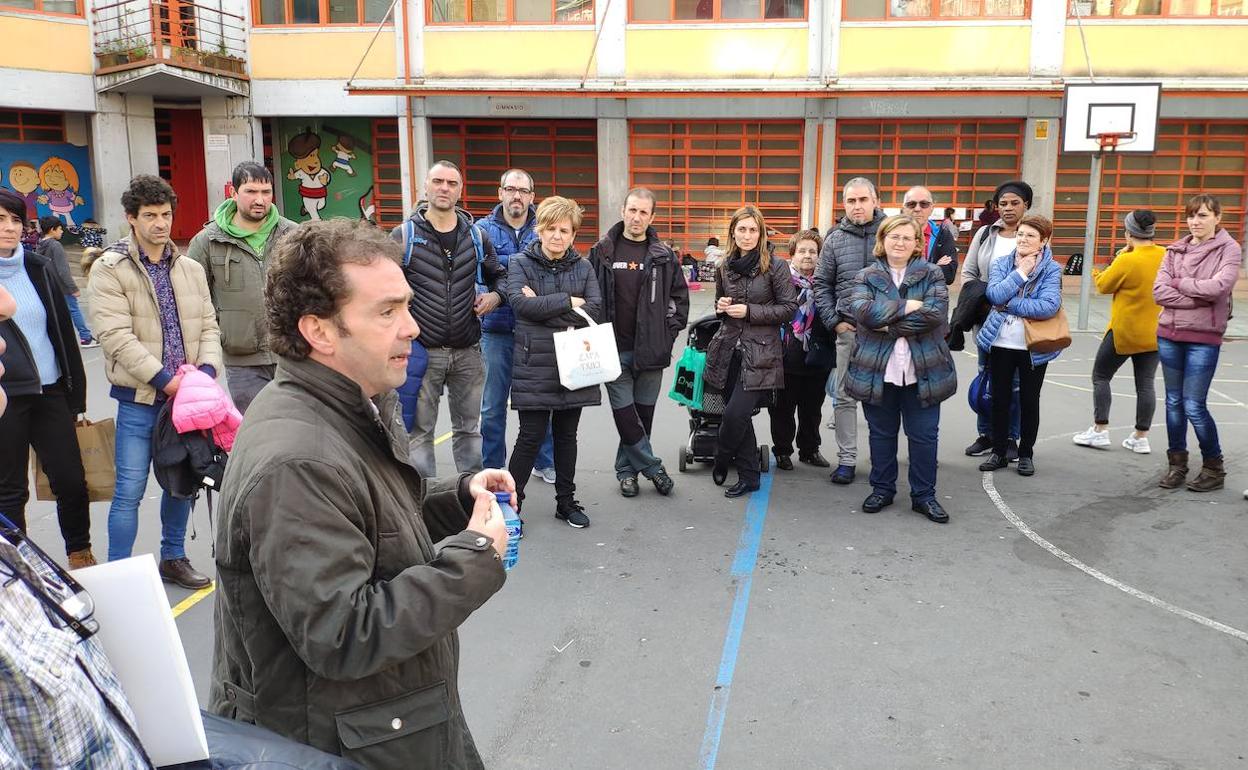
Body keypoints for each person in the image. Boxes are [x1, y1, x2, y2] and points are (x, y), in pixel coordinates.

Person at [209, 217, 508, 768]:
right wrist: (476, 557)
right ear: (319, 331)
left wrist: (458, 497)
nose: (412, 328)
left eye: (407, 306)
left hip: (376, 725)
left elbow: (370, 517)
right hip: (339, 742)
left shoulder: (345, 404)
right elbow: (343, 632)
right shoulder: (298, 459)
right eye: (387, 312)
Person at [88, 175, 220, 588]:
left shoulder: (191, 268)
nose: (161, 224)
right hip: (140, 399)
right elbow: (114, 336)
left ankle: (174, 557)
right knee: (129, 489)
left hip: (186, 400)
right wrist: (165, 380)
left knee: (182, 483)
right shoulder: (110, 270)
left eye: (166, 214)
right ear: (131, 218)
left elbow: (209, 325)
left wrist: (208, 374)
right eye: (150, 216)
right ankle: (119, 573)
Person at [0, 189, 96, 567]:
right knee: (9, 492)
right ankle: (17, 570)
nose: (8, 228)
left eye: (14, 220)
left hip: (51, 389)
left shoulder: (38, 267)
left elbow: (61, 333)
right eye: (0, 220)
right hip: (7, 395)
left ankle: (80, 553)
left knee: (72, 480)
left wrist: (77, 397)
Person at [390, 160, 503, 479]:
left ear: (460, 190)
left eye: (451, 183)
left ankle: (469, 497)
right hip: (422, 351)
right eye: (438, 181)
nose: (444, 188)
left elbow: (501, 277)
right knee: (419, 432)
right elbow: (382, 287)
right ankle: (422, 502)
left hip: (468, 350)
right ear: (425, 187)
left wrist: (496, 297)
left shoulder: (477, 235)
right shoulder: (404, 235)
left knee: (469, 431)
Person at [838, 214, 955, 523]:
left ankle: (924, 496)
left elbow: (935, 315)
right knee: (881, 433)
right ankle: (882, 489)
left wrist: (887, 325)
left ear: (917, 243)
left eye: (907, 237)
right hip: (878, 369)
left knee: (925, 436)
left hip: (924, 370)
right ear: (883, 240)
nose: (900, 242)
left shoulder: (932, 274)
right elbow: (863, 313)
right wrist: (907, 306)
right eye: (894, 236)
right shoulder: (866, 276)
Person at [504, 196, 602, 527]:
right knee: (529, 435)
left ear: (574, 234)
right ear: (539, 230)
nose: (557, 236)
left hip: (573, 364)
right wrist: (567, 303)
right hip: (535, 363)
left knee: (566, 436)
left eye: (564, 230)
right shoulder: (520, 263)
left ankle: (566, 501)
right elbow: (519, 304)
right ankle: (510, 506)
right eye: (550, 229)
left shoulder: (584, 266)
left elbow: (594, 309)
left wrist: (544, 306)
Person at [588, 187, 689, 498]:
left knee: (642, 416)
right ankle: (653, 468)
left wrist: (667, 333)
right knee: (625, 414)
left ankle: (626, 473)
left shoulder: (663, 256)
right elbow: (589, 294)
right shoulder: (602, 251)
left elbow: (679, 300)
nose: (636, 217)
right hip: (612, 348)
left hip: (651, 351)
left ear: (652, 217)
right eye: (632, 210)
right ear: (622, 211)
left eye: (643, 212)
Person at [187, 161, 298, 414]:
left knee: (296, 430)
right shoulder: (207, 241)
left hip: (292, 355)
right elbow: (194, 302)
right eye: (251, 192)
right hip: (242, 361)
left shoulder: (293, 235)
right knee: (256, 431)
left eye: (266, 192)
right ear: (233, 193)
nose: (260, 200)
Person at [705, 205, 797, 498]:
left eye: (753, 229)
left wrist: (749, 311)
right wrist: (721, 308)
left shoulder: (776, 266)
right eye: (741, 229)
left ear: (761, 232)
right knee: (739, 418)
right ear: (732, 231)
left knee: (734, 415)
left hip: (760, 353)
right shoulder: (724, 266)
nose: (747, 235)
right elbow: (722, 305)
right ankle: (749, 476)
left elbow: (789, 309)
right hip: (726, 349)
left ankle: (721, 457)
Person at [1153, 194, 1242, 492]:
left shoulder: (1229, 249)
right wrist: (1195, 296)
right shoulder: (1175, 249)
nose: (1195, 221)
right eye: (1191, 215)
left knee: (1193, 405)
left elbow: (1218, 289)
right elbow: (1159, 292)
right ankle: (1177, 464)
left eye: (1203, 215)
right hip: (1168, 334)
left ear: (1218, 217)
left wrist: (1179, 284)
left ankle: (1213, 467)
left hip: (1203, 339)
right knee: (1174, 403)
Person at [475, 168, 557, 483]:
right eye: (511, 189)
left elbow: (551, 269)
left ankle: (544, 461)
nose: (517, 196)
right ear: (500, 193)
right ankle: (493, 468)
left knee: (539, 402)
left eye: (523, 191)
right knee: (493, 407)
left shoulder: (544, 228)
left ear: (532, 196)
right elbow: (478, 273)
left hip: (535, 331)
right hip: (495, 332)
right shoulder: (482, 230)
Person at [976, 214, 1064, 477]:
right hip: (1000, 342)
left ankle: (1026, 453)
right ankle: (999, 451)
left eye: (1030, 235)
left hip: (1034, 346)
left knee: (1028, 400)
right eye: (1021, 234)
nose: (1023, 239)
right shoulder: (1003, 263)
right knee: (999, 399)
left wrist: (1009, 305)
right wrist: (1020, 273)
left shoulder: (1052, 269)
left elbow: (1048, 306)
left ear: (1044, 241)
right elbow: (993, 294)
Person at [814, 176, 886, 485]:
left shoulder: (892, 234)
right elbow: (821, 284)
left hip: (885, 334)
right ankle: (846, 460)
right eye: (851, 201)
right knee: (843, 397)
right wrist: (834, 321)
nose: (857, 206)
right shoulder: (834, 239)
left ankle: (882, 461)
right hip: (849, 332)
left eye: (863, 200)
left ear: (875, 201)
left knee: (882, 398)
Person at [1073, 210, 1164, 453]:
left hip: (1124, 331)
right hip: (1154, 331)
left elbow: (1104, 285)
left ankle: (1100, 429)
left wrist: (1100, 269)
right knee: (1146, 384)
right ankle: (1141, 436)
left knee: (1101, 376)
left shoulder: (1127, 259)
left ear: (1128, 233)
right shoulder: (1165, 254)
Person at [961, 180, 1030, 460]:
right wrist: (979, 302)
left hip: (1019, 322)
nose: (1008, 208)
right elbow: (968, 273)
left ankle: (1010, 436)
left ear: (1026, 205)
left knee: (1013, 384)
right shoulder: (984, 235)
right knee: (985, 378)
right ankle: (986, 433)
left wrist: (1015, 305)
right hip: (987, 321)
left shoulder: (1033, 235)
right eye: (1003, 203)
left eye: (1015, 203)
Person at [769, 229, 833, 471]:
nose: (808, 256)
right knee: (783, 409)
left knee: (812, 409)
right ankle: (783, 451)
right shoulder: (780, 281)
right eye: (802, 251)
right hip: (785, 355)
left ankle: (810, 450)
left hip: (817, 355)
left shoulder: (826, 283)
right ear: (792, 254)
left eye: (813, 251)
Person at [37, 215, 97, 347]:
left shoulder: (40, 244)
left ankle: (59, 340)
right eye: (60, 229)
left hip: (49, 286)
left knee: (56, 313)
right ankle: (86, 337)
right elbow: (63, 270)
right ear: (52, 230)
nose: (62, 231)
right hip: (62, 287)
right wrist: (73, 288)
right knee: (74, 310)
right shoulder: (55, 245)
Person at [901, 186, 957, 284]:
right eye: (911, 204)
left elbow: (949, 275)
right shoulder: (892, 234)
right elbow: (891, 274)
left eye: (924, 204)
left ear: (932, 208)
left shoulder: (943, 234)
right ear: (904, 208)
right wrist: (935, 267)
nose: (917, 209)